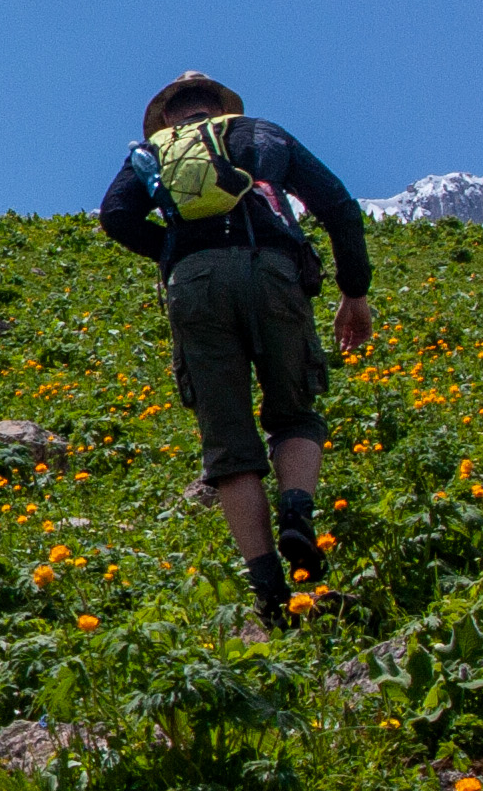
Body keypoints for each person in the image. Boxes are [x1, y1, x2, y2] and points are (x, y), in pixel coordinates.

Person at [97, 71, 376, 623]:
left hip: (195, 288)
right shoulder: (260, 134)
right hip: (272, 272)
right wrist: (355, 291)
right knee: (294, 412)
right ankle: (297, 512)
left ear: (170, 115)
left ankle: (269, 589)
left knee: (227, 442)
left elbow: (114, 215)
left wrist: (173, 249)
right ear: (218, 106)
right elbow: (338, 204)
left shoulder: (153, 153)